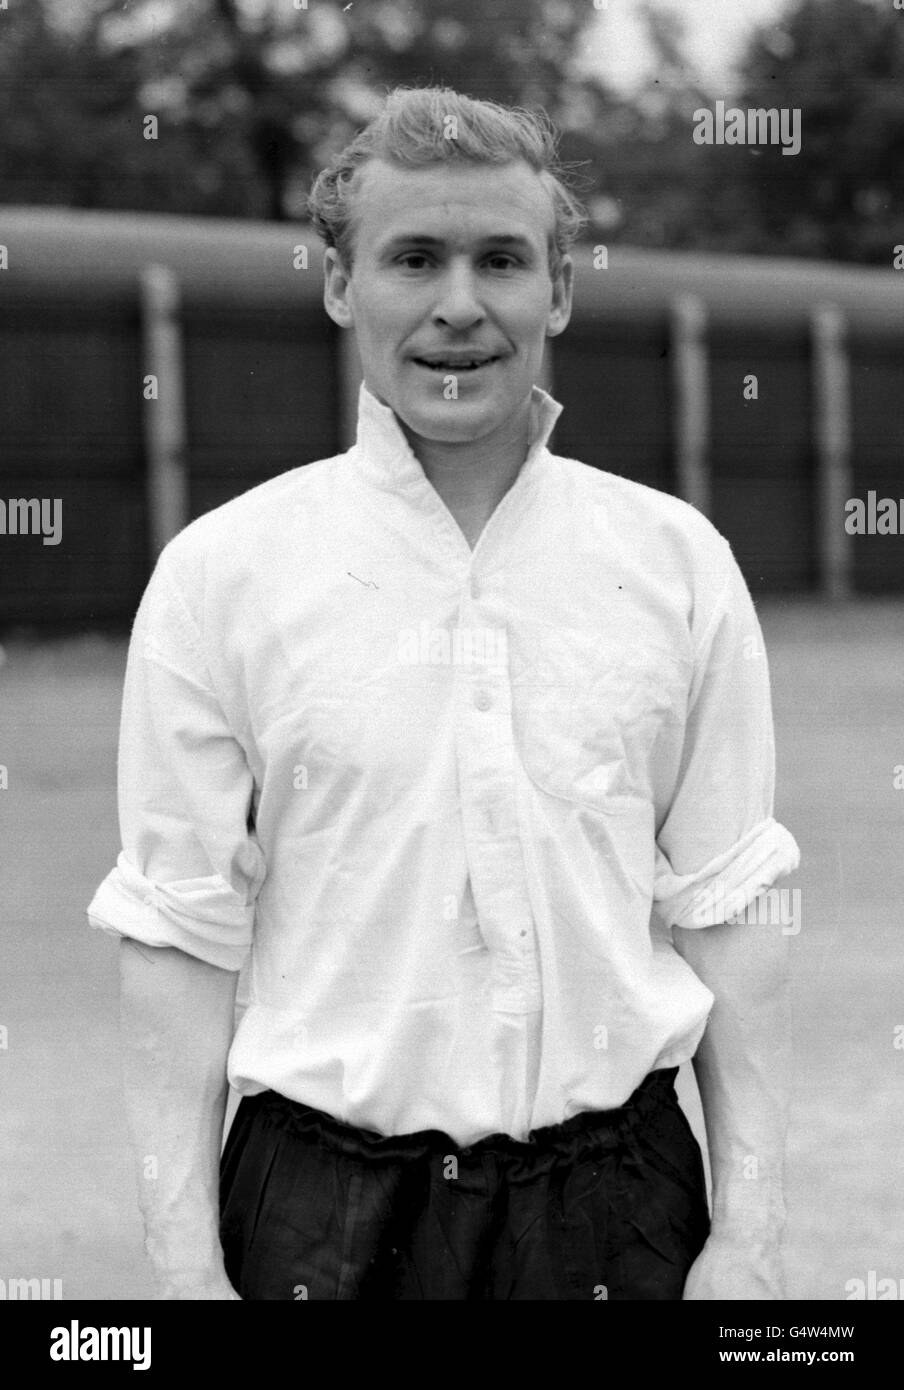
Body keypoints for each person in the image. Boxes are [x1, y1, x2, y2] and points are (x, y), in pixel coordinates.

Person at [88, 86, 800, 1301]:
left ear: (558, 292)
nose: (458, 306)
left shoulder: (676, 563)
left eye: (501, 261)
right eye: (413, 258)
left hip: (618, 1208)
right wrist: (180, 1263)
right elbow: (178, 932)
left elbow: (732, 910)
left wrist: (749, 1232)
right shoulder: (223, 573)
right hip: (316, 1216)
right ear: (340, 285)